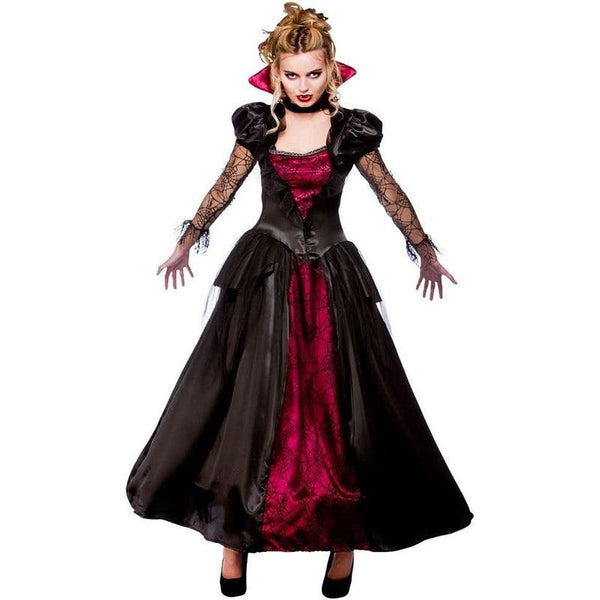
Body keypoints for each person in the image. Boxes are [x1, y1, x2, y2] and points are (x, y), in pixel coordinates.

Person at [125, 3, 474, 597]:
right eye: (293, 75)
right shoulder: (259, 127)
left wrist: (423, 248)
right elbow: (225, 185)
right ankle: (235, 541)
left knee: (341, 408)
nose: (304, 85)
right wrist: (188, 240)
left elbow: (389, 191)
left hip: (333, 278)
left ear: (331, 71)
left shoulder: (350, 131)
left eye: (314, 73)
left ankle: (344, 542)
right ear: (275, 74)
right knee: (248, 404)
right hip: (265, 277)